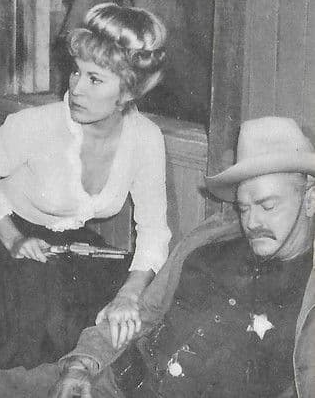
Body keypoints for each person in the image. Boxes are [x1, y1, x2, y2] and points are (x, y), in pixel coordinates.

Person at [0, 2, 172, 376]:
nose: (76, 87)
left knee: (130, 321)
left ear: (128, 90)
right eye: (76, 71)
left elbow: (154, 230)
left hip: (69, 249)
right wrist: (13, 239)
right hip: (0, 243)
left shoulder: (146, 139)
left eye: (95, 79)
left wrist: (129, 294)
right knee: (25, 332)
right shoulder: (36, 124)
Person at [53, 116, 315, 398]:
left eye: (268, 206)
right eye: (244, 208)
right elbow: (142, 313)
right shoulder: (207, 245)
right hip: (112, 383)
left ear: (310, 200)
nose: (251, 222)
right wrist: (82, 364)